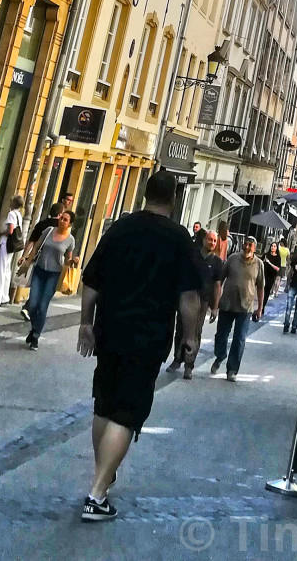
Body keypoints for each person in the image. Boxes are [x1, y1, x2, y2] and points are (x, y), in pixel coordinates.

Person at [78, 170, 207, 521]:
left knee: (104, 404)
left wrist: (85, 324)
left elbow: (91, 280)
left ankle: (101, 476)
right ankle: (97, 492)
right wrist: (190, 337)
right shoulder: (180, 240)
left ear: (145, 193)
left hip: (110, 329)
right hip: (148, 336)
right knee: (128, 411)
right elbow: (188, 297)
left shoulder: (120, 228)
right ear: (174, 199)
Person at [168, 229, 223, 380]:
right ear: (204, 240)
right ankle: (177, 359)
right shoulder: (193, 256)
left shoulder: (217, 262)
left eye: (214, 241)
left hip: (203, 301)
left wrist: (215, 307)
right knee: (181, 328)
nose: (211, 243)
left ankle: (189, 365)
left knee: (195, 332)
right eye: (209, 239)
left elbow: (218, 286)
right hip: (186, 297)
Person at [211, 235, 265, 381]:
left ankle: (232, 370)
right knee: (221, 335)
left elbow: (260, 287)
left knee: (239, 339)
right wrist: (215, 304)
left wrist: (259, 308)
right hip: (227, 304)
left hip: (245, 307)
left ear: (255, 248)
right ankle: (220, 355)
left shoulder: (259, 264)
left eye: (250, 245)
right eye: (245, 244)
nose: (247, 247)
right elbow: (220, 280)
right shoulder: (232, 259)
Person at [21, 209, 75, 348]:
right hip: (39, 271)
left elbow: (67, 261)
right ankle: (34, 328)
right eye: (61, 218)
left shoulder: (70, 240)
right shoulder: (49, 231)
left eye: (65, 220)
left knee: (42, 306)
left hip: (54, 274)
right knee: (33, 304)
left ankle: (36, 336)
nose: (61, 221)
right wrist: (27, 261)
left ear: (70, 224)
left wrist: (73, 261)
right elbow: (36, 247)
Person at [0, 193, 23, 306]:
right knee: (7, 270)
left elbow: (11, 230)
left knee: (1, 270)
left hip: (6, 243)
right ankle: (4, 297)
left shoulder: (11, 214)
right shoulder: (19, 215)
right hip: (12, 246)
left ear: (13, 203)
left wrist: (1, 233)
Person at [263, 240, 283, 304]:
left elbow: (277, 268)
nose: (272, 247)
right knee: (261, 291)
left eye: (274, 246)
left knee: (267, 292)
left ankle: (263, 306)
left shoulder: (278, 257)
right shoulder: (266, 255)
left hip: (271, 277)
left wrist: (269, 263)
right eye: (272, 246)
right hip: (263, 275)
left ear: (276, 248)